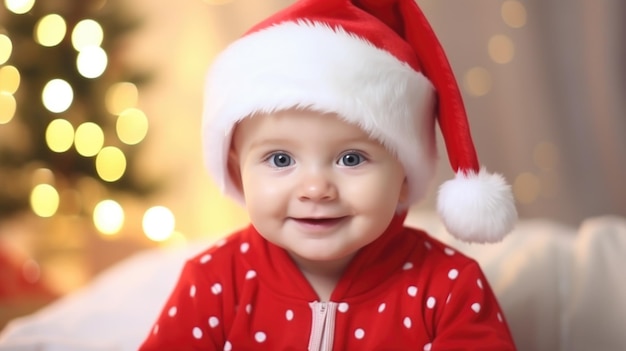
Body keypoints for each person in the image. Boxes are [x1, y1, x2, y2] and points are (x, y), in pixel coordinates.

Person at [139, 0, 519, 349]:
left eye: (351, 159)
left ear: (403, 176)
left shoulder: (449, 285)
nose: (316, 189)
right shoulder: (214, 281)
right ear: (238, 173)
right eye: (281, 159)